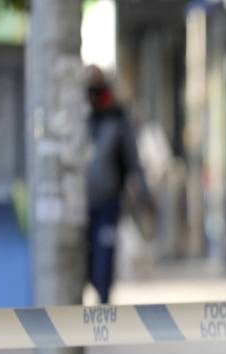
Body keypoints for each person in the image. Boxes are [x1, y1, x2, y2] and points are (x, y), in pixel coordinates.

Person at [85, 66, 148, 305]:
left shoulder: (118, 120)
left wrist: (143, 195)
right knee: (87, 258)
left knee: (104, 254)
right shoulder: (80, 116)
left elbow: (132, 160)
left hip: (108, 202)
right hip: (81, 205)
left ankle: (103, 298)